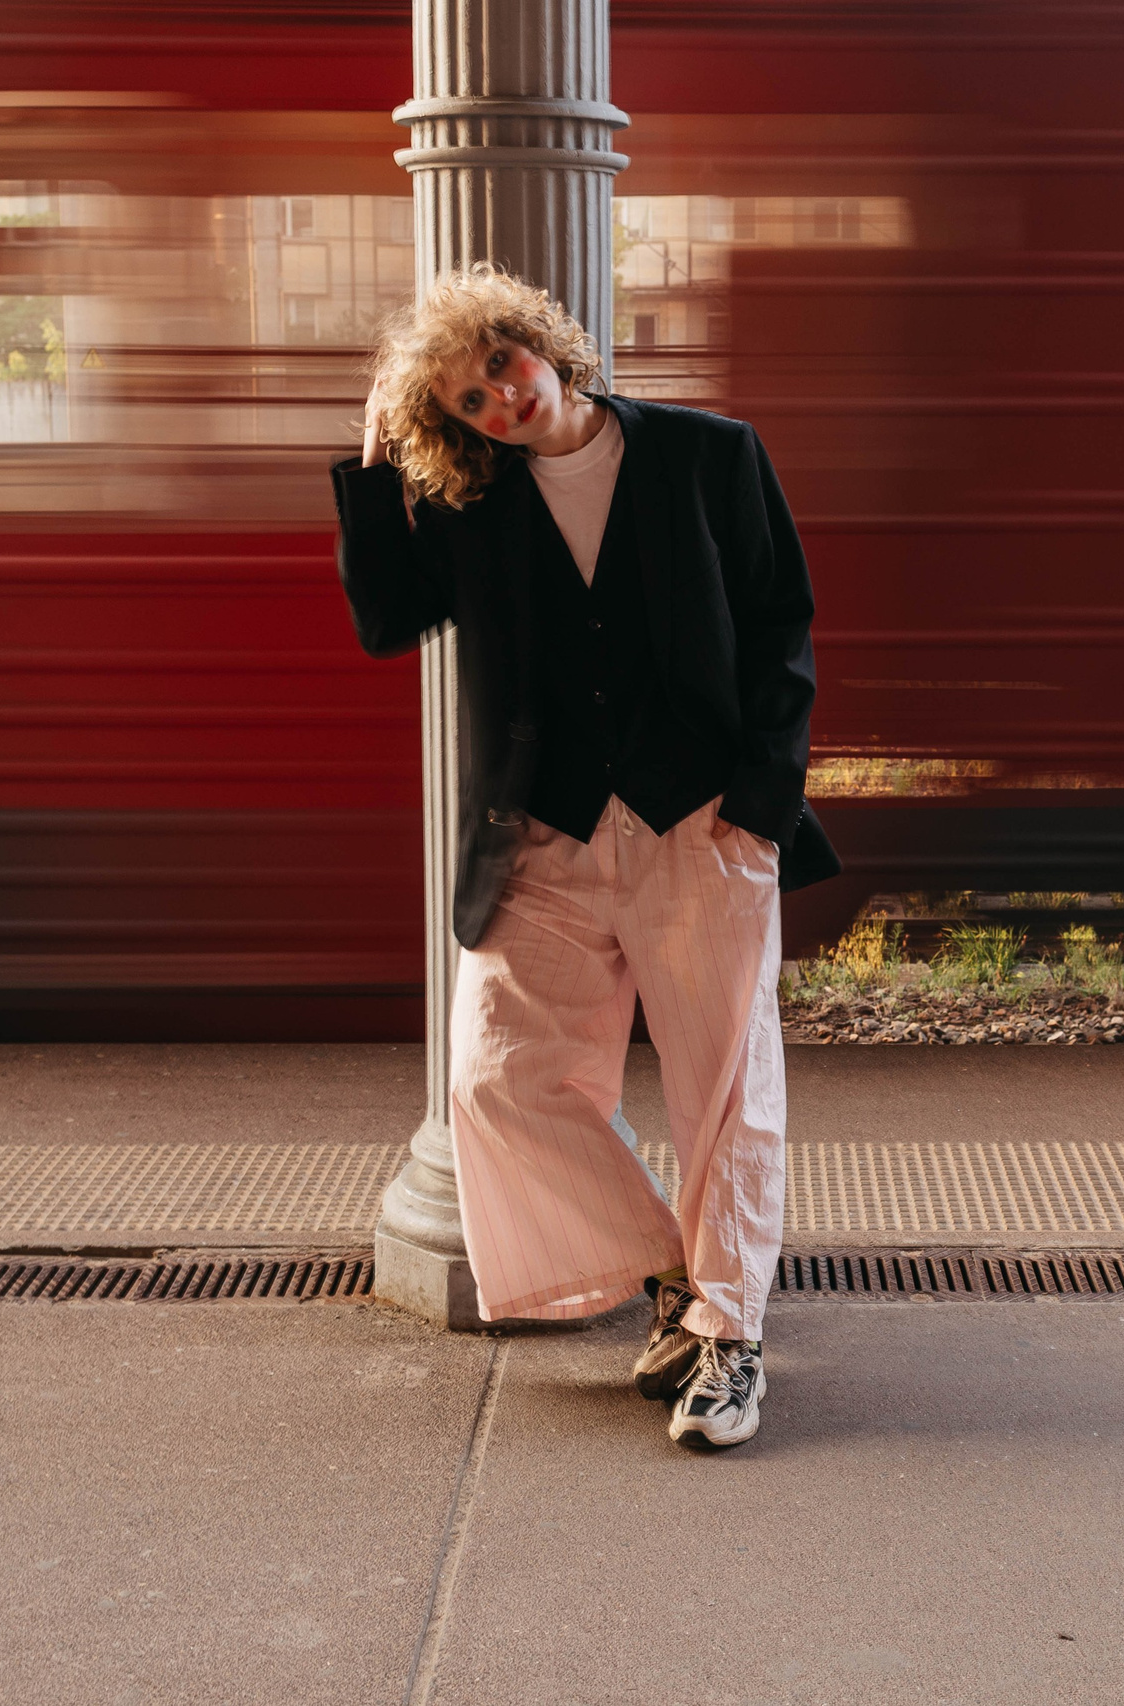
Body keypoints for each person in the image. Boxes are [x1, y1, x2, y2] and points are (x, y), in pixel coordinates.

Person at [330, 264, 837, 1450]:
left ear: (542, 343)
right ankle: (681, 1272)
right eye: (467, 399)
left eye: (500, 364)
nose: (499, 400)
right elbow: (385, 623)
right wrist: (372, 470)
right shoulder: (471, 504)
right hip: (547, 832)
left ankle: (731, 1334)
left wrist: (759, 804)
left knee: (724, 1089)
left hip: (701, 819)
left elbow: (781, 623)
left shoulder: (711, 454)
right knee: (496, 1081)